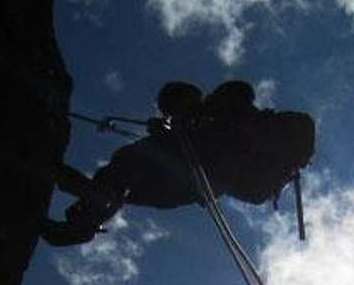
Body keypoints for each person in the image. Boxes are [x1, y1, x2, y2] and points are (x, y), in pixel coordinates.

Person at [41, 79, 262, 247]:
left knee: (128, 163)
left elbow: (204, 147)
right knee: (122, 178)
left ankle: (87, 210)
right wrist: (166, 132)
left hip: (190, 179)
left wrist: (164, 134)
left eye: (173, 108)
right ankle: (87, 214)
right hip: (183, 184)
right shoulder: (203, 121)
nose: (172, 115)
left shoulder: (214, 121)